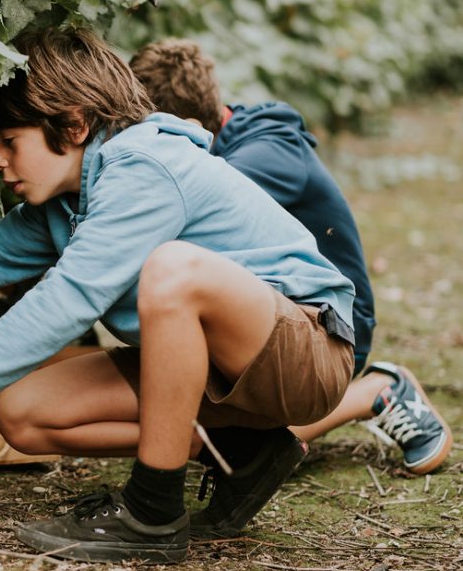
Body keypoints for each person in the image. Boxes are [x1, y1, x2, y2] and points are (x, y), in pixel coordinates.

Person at [0, 27, 356, 563]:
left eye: (9, 142)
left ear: (72, 123)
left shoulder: (144, 167)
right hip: (218, 374)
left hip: (307, 350)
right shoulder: (64, 203)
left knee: (172, 270)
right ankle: (243, 450)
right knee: (21, 413)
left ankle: (152, 511)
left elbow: (70, 297)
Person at [0, 38, 453, 482]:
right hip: (219, 338)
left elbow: (99, 264)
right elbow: (84, 252)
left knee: (165, 272)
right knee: (32, 383)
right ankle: (234, 452)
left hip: (323, 332)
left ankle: (372, 392)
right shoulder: (125, 178)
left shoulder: (224, 165)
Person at [129, 38, 452, 480]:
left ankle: (375, 391)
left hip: (332, 332)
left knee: (229, 437)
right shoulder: (222, 144)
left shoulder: (261, 156)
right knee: (176, 412)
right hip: (271, 320)